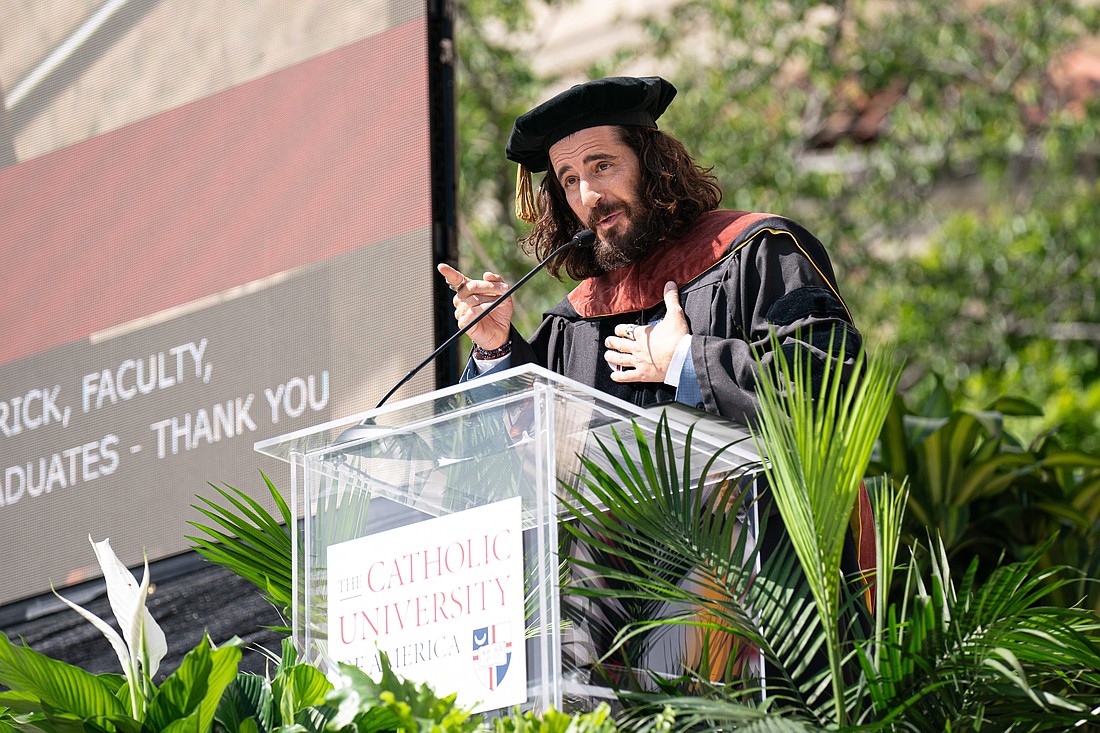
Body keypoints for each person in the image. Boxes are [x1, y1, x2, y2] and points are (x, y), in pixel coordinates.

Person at [438, 76, 860, 424]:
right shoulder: (575, 323)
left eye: (602, 166)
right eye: (569, 180)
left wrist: (684, 361)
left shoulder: (760, 253)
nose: (588, 196)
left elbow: (827, 388)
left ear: (654, 164)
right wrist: (497, 351)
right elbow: (515, 467)